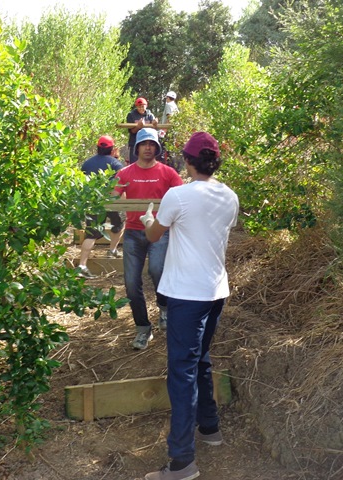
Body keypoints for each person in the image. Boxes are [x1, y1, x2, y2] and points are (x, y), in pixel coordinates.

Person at [139, 132, 239, 480]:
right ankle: (210, 428)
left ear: (187, 161)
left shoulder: (177, 195)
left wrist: (148, 218)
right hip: (216, 291)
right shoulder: (229, 196)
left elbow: (154, 235)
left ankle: (182, 461)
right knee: (201, 359)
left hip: (186, 295)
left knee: (181, 373)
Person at [114, 128, 183, 349]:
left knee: (157, 269)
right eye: (144, 144)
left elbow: (183, 198)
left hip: (159, 231)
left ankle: (164, 307)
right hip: (133, 233)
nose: (148, 148)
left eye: (152, 144)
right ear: (137, 148)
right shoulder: (125, 173)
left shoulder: (168, 173)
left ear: (157, 148)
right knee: (131, 284)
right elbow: (111, 196)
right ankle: (143, 329)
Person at [78, 135, 125, 278]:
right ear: (112, 149)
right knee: (119, 224)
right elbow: (120, 186)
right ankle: (112, 250)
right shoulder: (116, 165)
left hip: (93, 202)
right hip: (112, 201)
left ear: (97, 148)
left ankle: (82, 265)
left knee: (91, 233)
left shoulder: (87, 164)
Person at [126, 97, 158, 164]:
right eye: (139, 107)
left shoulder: (150, 115)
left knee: (148, 163)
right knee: (134, 164)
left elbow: (154, 129)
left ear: (146, 106)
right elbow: (132, 131)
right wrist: (138, 127)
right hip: (135, 143)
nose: (141, 108)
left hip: (147, 144)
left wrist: (155, 124)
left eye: (142, 106)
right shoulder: (131, 115)